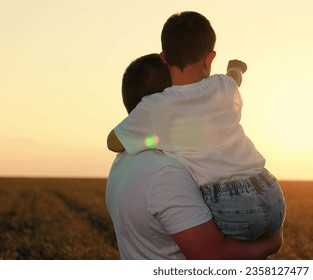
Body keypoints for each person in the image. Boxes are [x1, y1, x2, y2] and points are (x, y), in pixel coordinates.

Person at [107, 11, 286, 241]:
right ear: (209, 58)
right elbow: (234, 78)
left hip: (229, 207)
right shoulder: (222, 86)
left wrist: (148, 137)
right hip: (271, 194)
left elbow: (113, 142)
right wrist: (237, 67)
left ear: (163, 57)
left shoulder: (155, 106)